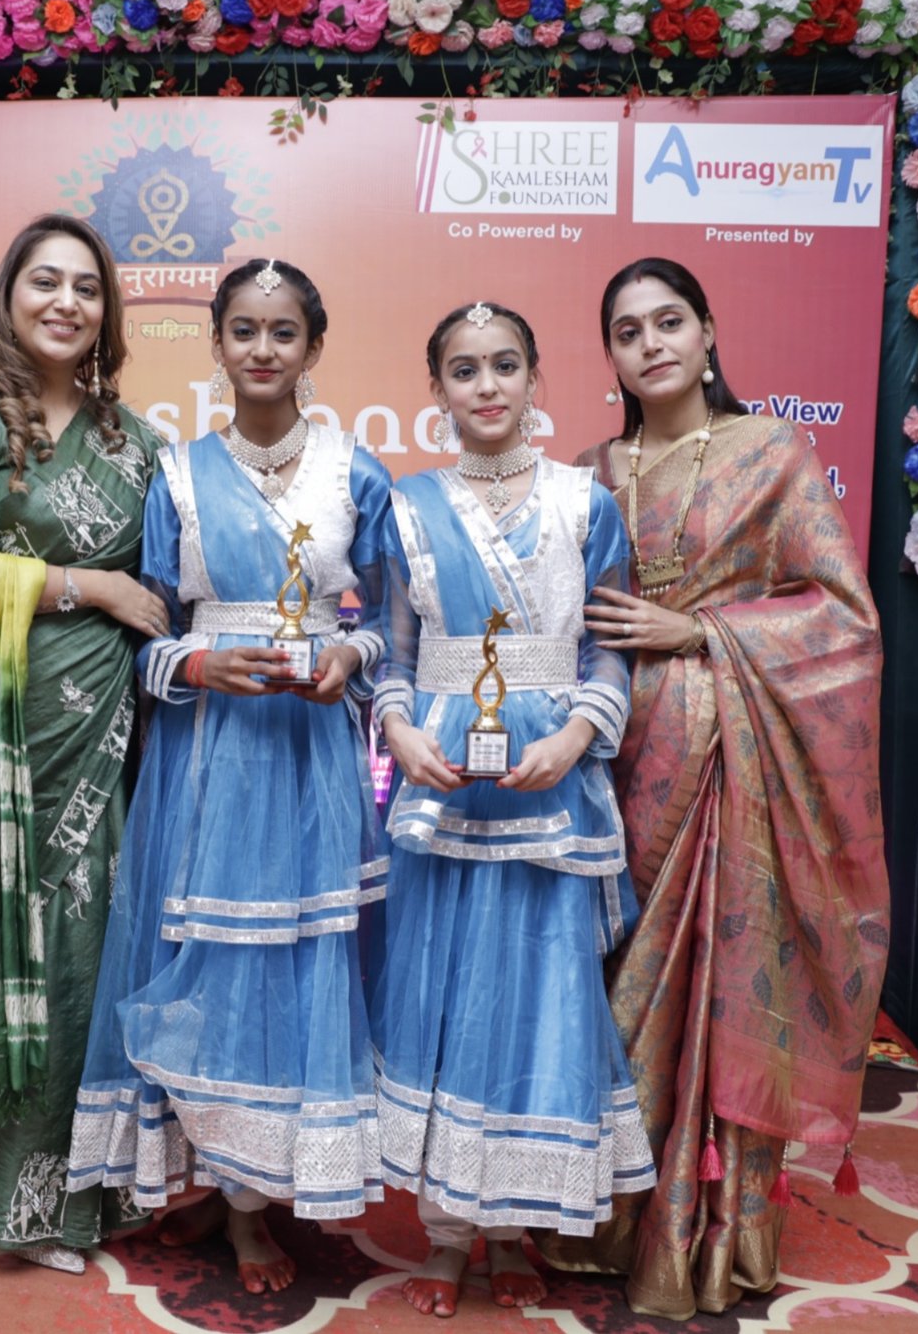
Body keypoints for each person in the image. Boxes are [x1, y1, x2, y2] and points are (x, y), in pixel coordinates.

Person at [536, 259, 890, 1319]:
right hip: (606, 760)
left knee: (715, 985)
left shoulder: (771, 453)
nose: (650, 344)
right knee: (608, 977)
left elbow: (842, 616)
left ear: (707, 333)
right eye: (627, 331)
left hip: (731, 763)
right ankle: (597, 1217)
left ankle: (701, 1231)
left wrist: (700, 630)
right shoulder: (590, 472)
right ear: (609, 356)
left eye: (669, 322)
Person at [68, 259, 392, 1295]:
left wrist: (349, 656)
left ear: (312, 346)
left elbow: (397, 623)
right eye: (244, 330)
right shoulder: (176, 474)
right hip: (206, 756)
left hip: (309, 758)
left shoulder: (357, 472)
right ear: (216, 344)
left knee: (290, 968)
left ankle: (256, 1198)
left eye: (283, 331)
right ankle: (213, 1181)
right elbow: (145, 635)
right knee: (206, 965)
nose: (262, 349)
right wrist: (199, 665)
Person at [369, 300, 654, 1319]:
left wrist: (574, 738)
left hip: (550, 787)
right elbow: (392, 653)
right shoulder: (405, 507)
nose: (485, 385)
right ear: (436, 389)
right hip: (443, 792)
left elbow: (608, 650)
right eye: (463, 369)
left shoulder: (587, 503)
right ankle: (448, 1235)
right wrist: (399, 735)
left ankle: (512, 1232)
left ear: (535, 379)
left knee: (539, 1002)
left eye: (503, 365)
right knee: (445, 1003)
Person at [0, 214, 165, 1275]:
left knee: (100, 947)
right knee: (22, 939)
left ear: (107, 311)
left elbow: (169, 582)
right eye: (44, 282)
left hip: (112, 729)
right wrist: (91, 586)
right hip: (5, 727)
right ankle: (20, 1193)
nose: (65, 302)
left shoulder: (134, 441)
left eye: (86, 287)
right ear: (9, 298)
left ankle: (100, 1184)